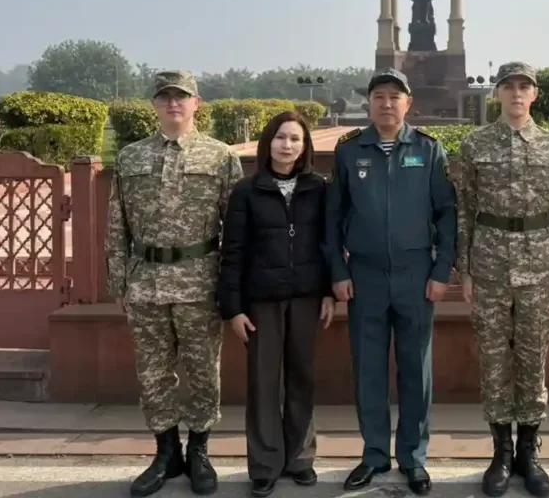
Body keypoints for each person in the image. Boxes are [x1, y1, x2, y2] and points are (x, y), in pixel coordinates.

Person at [104, 70, 244, 497]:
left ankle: (199, 450)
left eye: (181, 97)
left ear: (196, 103)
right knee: (153, 373)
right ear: (154, 105)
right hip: (146, 281)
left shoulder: (220, 157)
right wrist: (119, 282)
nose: (173, 104)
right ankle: (166, 452)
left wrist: (232, 287)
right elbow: (116, 224)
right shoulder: (130, 157)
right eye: (164, 97)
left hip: (200, 279)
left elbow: (237, 230)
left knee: (203, 372)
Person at [323, 68, 457, 496]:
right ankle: (375, 455)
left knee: (416, 370)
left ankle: (414, 458)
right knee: (369, 369)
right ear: (369, 103)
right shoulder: (349, 152)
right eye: (378, 96)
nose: (386, 103)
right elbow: (332, 220)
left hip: (416, 276)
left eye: (394, 96)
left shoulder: (428, 150)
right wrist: (338, 273)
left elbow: (447, 216)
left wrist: (441, 272)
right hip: (364, 276)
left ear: (408, 103)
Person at [455, 62, 549, 498]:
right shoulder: (475, 144)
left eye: (525, 86)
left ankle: (529, 451)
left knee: (532, 356)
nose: (517, 93)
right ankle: (501, 451)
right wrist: (464, 267)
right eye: (509, 86)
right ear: (497, 94)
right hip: (488, 260)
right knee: (493, 357)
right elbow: (464, 208)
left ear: (535, 94)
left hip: (538, 260)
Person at [217, 110, 336, 498]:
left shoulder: (318, 188)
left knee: (301, 379)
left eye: (295, 139)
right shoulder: (247, 191)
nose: (287, 145)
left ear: (305, 147)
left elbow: (329, 245)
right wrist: (233, 308)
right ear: (268, 143)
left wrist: (330, 293)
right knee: (264, 383)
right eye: (281, 137)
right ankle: (265, 464)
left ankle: (300, 459)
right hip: (261, 301)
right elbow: (232, 251)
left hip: (306, 297)